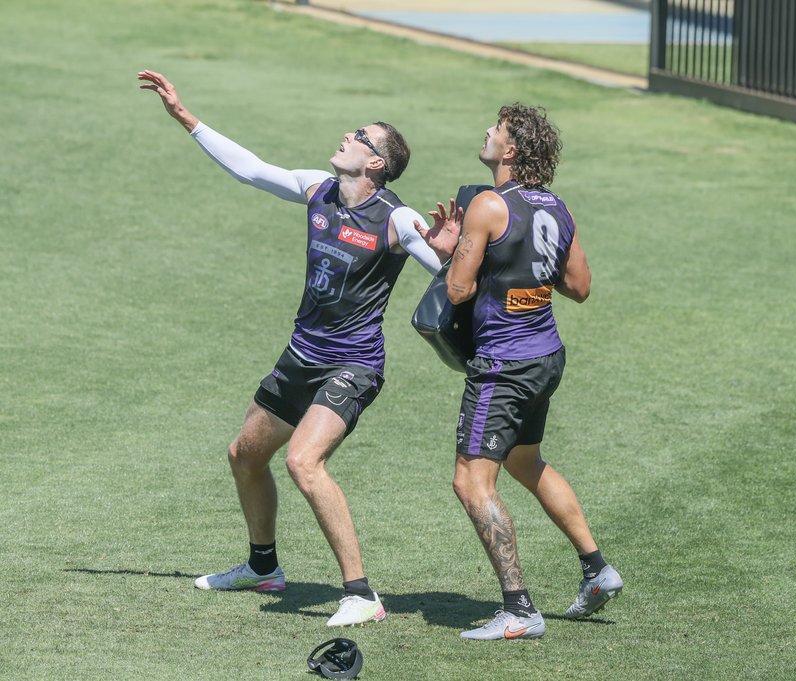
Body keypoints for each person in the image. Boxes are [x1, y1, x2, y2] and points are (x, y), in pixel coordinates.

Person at [137, 70, 459, 627]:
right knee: (244, 455)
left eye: (361, 135)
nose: (349, 135)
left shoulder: (398, 220)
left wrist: (451, 254)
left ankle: (361, 594)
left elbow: (455, 284)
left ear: (377, 162)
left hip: (353, 364)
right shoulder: (319, 189)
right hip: (301, 355)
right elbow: (253, 170)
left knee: (303, 462)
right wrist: (186, 118)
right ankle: (263, 566)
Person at [437, 103, 623, 640]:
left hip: (503, 365)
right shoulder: (559, 209)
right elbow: (579, 287)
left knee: (471, 482)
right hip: (546, 357)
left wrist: (451, 250)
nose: (487, 132)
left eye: (495, 129)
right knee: (524, 461)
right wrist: (525, 269)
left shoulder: (488, 205)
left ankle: (519, 608)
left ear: (511, 150)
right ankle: (596, 568)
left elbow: (457, 289)